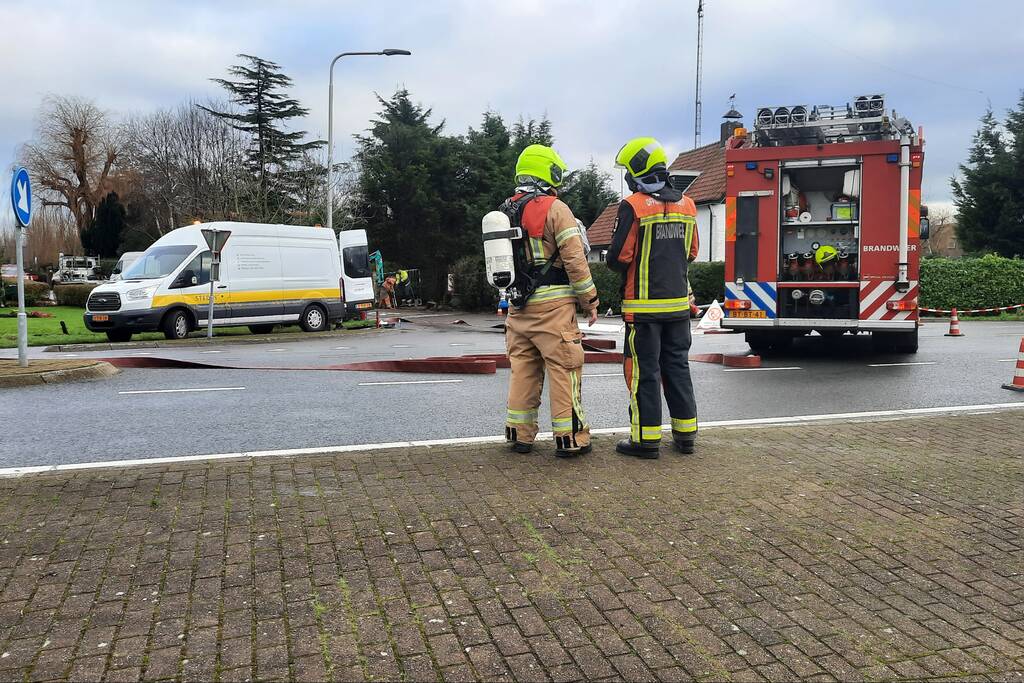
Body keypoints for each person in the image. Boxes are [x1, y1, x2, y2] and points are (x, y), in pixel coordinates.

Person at [503, 144, 600, 457]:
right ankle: (570, 438)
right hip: (554, 309)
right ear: (548, 172)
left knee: (523, 370)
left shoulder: (505, 210)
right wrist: (590, 300)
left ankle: (519, 435)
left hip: (517, 308)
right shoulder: (556, 209)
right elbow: (574, 258)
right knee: (565, 369)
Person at [607, 137, 699, 459]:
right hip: (677, 309)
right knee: (677, 369)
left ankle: (645, 442)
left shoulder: (632, 205)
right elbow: (692, 252)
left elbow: (618, 257)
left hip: (642, 312)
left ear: (636, 172)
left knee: (644, 374)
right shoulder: (688, 205)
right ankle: (686, 438)